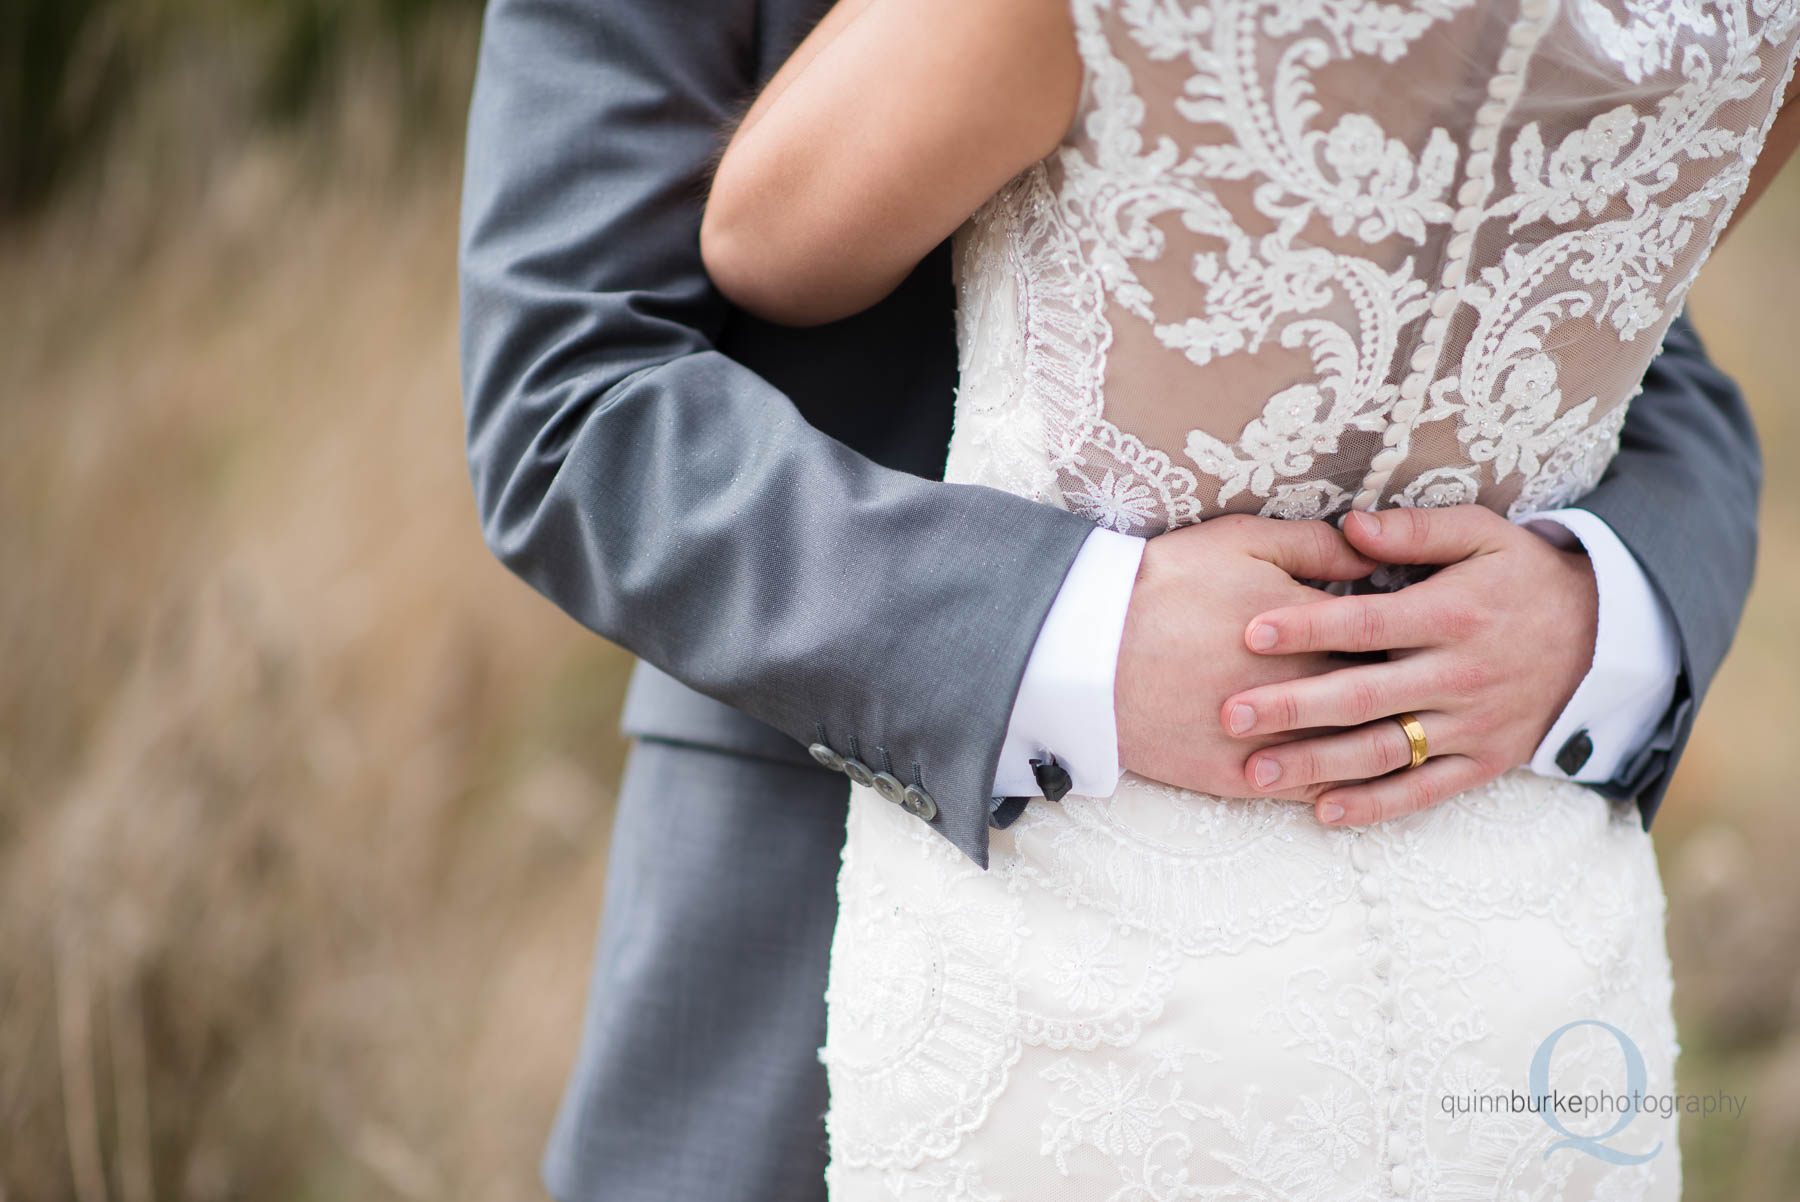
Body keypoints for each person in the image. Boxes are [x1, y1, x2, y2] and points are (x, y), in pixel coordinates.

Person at [454, 1, 1789, 1198]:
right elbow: (568, 392)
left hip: (1468, 968)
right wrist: (1066, 633)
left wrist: (1591, 610)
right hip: (836, 901)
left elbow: (1608, 306)